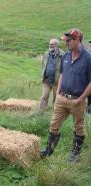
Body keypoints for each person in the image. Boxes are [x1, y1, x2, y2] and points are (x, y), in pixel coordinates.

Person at [40, 28, 91, 162]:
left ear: (77, 40)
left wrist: (81, 99)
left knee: (79, 128)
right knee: (54, 125)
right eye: (65, 40)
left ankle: (74, 155)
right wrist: (58, 93)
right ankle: (49, 150)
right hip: (62, 98)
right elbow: (62, 74)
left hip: (78, 101)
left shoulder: (88, 58)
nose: (66, 43)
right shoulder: (66, 56)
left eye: (68, 40)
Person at [39, 39, 64, 111]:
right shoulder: (46, 54)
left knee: (56, 98)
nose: (50, 46)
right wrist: (42, 73)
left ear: (56, 45)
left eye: (52, 44)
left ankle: (55, 114)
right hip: (46, 80)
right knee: (44, 96)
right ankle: (40, 112)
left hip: (57, 82)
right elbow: (43, 65)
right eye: (49, 44)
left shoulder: (63, 55)